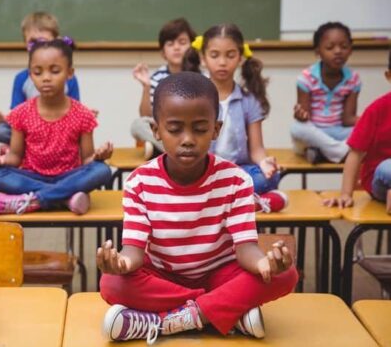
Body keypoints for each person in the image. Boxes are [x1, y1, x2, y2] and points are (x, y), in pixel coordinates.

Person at [97, 72, 298, 344]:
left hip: (219, 275)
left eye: (200, 129)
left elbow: (246, 250)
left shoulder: (236, 180)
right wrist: (120, 264)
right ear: (156, 131)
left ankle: (165, 322)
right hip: (164, 277)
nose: (188, 139)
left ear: (216, 129)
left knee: (286, 274)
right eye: (175, 129)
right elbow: (133, 252)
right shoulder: (139, 182)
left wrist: (264, 263)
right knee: (111, 283)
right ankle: (224, 313)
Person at [0, 38, 112, 215]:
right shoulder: (21, 113)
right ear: (30, 75)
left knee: (102, 170)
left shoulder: (83, 114)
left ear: (70, 73)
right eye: (38, 72)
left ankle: (34, 200)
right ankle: (65, 198)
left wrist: (99, 156)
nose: (46, 78)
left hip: (70, 175)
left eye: (55, 71)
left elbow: (87, 159)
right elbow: (15, 157)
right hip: (32, 177)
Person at [185, 23, 286, 210]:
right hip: (203, 171)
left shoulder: (249, 100)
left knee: (269, 177)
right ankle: (251, 201)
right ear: (203, 58)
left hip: (238, 171)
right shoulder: (193, 96)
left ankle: (226, 199)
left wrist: (265, 162)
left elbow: (256, 149)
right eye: (215, 55)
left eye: (230, 55)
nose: (222, 62)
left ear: (240, 58)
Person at [0, 11, 81, 148]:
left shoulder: (68, 78)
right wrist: (2, 118)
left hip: (59, 130)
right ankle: (28, 151)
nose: (38, 47)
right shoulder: (21, 78)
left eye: (43, 41)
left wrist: (85, 115)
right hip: (30, 131)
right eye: (32, 42)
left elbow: (75, 115)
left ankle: (26, 150)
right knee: (0, 131)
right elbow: (17, 117)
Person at [324, 50, 391, 214]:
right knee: (387, 167)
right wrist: (346, 194)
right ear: (389, 76)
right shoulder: (377, 110)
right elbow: (355, 154)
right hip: (381, 177)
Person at [290, 22, 361, 164]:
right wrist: (300, 115)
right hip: (314, 132)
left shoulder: (353, 80)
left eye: (344, 47)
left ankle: (321, 153)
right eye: (330, 47)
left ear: (351, 50)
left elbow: (348, 119)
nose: (338, 51)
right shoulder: (306, 78)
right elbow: (305, 118)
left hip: (338, 133)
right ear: (318, 51)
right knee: (297, 128)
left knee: (364, 131)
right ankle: (341, 152)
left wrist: (368, 122)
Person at [131, 18, 196, 158]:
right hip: (170, 130)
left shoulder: (201, 76)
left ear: (192, 46)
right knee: (138, 124)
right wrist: (147, 87)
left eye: (182, 42)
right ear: (163, 53)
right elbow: (146, 116)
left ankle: (160, 150)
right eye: (170, 44)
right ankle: (177, 151)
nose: (177, 47)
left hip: (194, 130)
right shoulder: (157, 78)